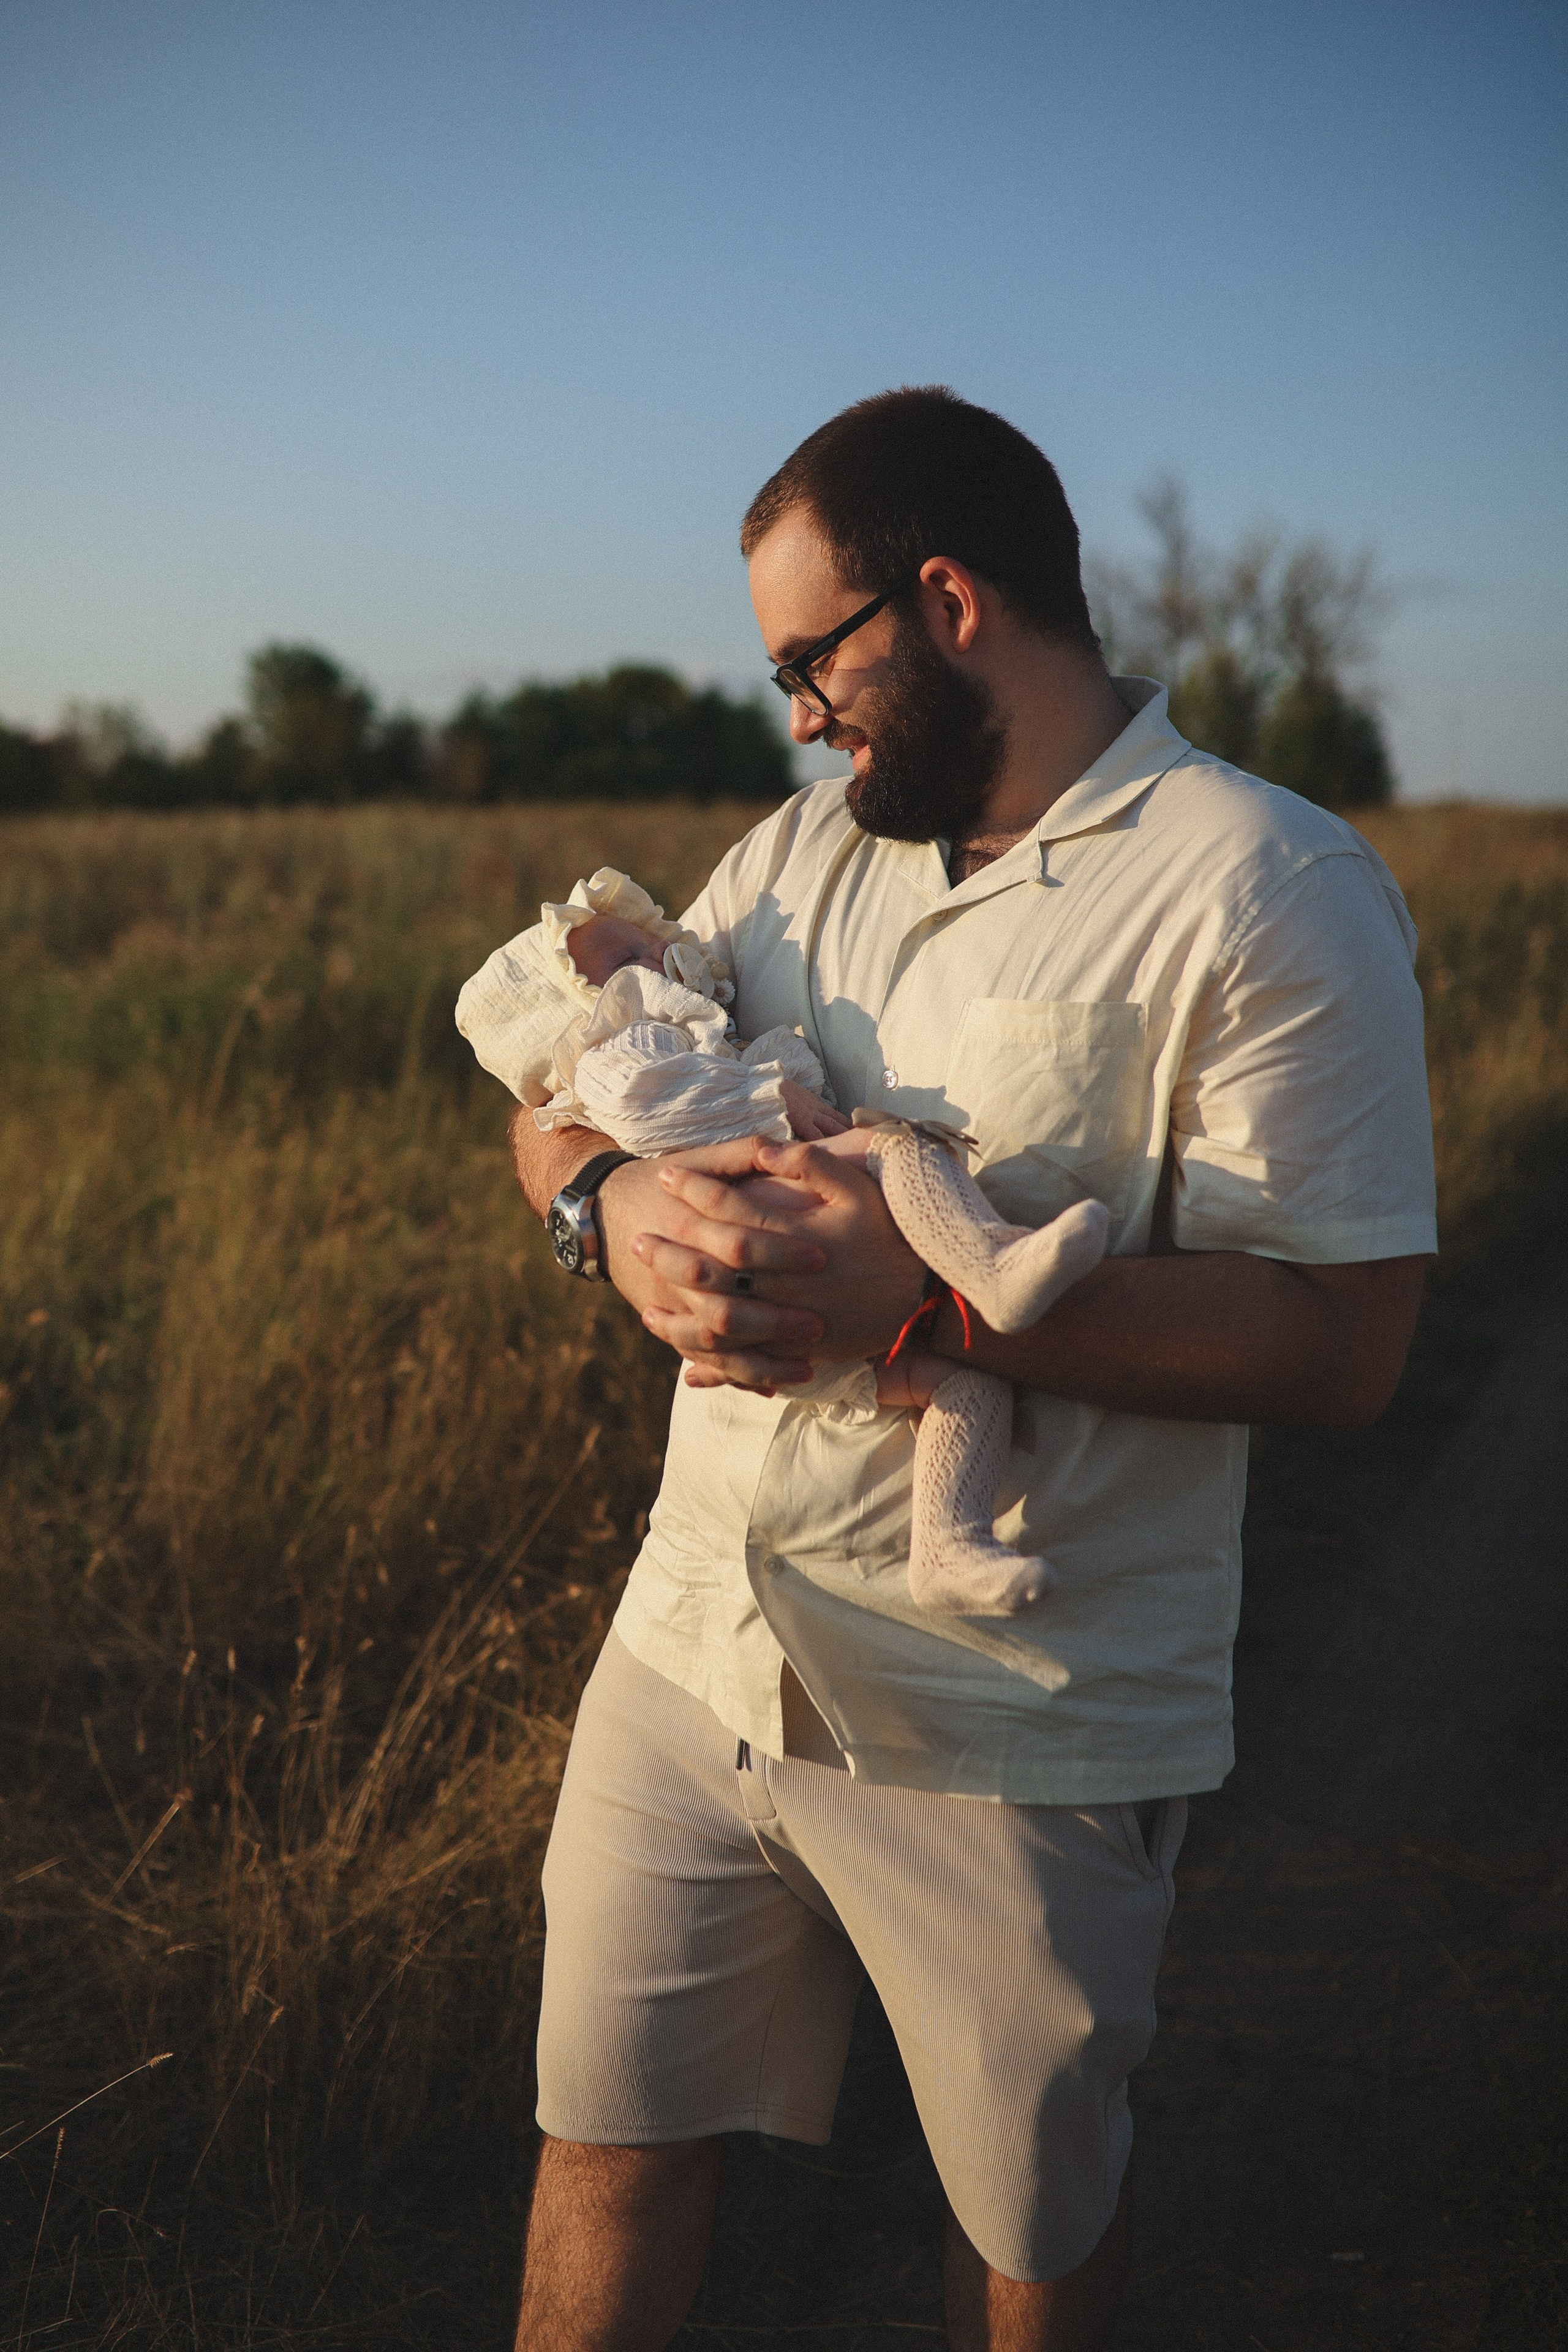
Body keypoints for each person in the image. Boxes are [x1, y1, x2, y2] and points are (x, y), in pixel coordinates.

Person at [504, 387, 1438, 2352]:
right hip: (692, 1640)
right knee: (603, 2144)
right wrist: (606, 1202)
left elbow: (1346, 1344)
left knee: (1018, 2228)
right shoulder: (804, 849)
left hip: (1017, 1705)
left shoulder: (1262, 882)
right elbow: (562, 1073)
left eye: (804, 662)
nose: (794, 721)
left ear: (941, 600)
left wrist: (918, 1309)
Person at [456, 867, 1109, 1610]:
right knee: (901, 1148)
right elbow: (643, 1110)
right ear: (573, 1002)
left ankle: (947, 1547)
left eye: (652, 943)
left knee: (968, 1384)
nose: (659, 958)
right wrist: (768, 1097)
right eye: (625, 960)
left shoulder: (686, 1028)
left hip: (786, 1298)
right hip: (761, 1213)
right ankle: (988, 1268)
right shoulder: (622, 1050)